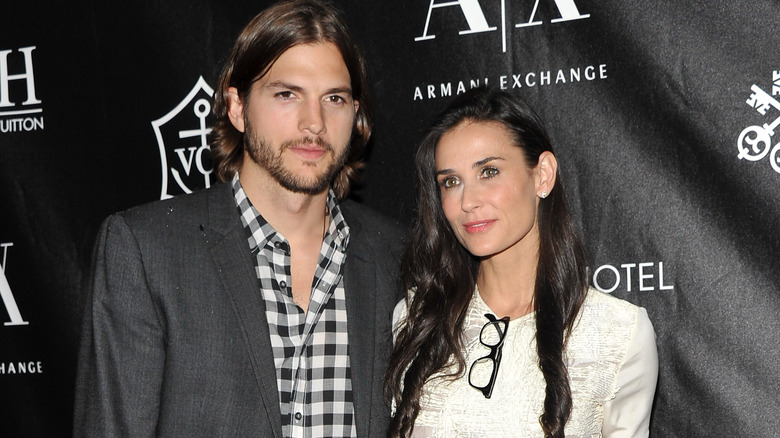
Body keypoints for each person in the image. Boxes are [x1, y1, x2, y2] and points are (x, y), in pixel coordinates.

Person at [73, 1, 404, 436]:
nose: (314, 123)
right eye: (287, 94)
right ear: (237, 107)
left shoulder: (397, 254)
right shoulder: (145, 251)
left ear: (355, 113)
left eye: (334, 99)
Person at [384, 87, 658, 437]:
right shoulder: (415, 316)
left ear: (542, 174)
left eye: (489, 172)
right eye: (451, 182)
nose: (468, 201)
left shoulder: (616, 333)